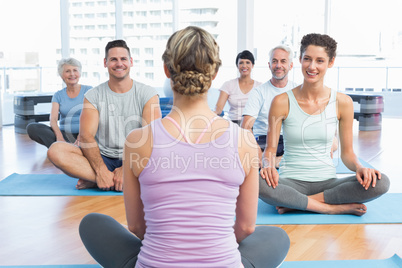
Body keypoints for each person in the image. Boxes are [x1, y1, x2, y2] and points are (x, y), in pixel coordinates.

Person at [79, 26, 290, 268]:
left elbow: (137, 227)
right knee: (276, 236)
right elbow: (245, 227)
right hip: (222, 262)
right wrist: (207, 248)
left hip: (156, 262)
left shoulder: (137, 141)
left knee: (92, 223)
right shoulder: (245, 141)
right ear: (215, 72)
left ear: (167, 69)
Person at [259, 33, 390, 216]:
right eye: (307, 59)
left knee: (381, 181)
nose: (312, 67)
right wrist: (268, 166)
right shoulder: (281, 101)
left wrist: (360, 167)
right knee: (256, 181)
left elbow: (347, 154)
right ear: (300, 60)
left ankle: (299, 203)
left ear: (330, 62)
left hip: (328, 183)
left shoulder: (343, 102)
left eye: (319, 60)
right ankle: (329, 208)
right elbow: (270, 150)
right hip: (290, 182)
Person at [47, 40, 161, 191]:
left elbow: (151, 136)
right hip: (102, 157)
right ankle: (111, 179)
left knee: (164, 159)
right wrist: (100, 170)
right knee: (56, 151)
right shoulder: (93, 95)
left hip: (136, 157)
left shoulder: (148, 93)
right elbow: (86, 136)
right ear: (105, 63)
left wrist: (126, 167)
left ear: (131, 62)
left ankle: (97, 180)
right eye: (113, 59)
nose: (119, 63)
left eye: (123, 59)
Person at [241, 45, 297, 163]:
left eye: (283, 61)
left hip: (290, 142)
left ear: (290, 65)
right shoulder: (259, 92)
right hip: (263, 140)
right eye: (274, 61)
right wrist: (259, 154)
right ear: (269, 65)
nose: (278, 65)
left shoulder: (298, 91)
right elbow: (246, 126)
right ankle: (278, 162)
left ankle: (278, 162)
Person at [26, 58, 92, 148]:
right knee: (32, 128)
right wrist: (59, 136)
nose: (72, 74)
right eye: (67, 71)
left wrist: (82, 135)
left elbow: (93, 117)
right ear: (62, 75)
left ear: (80, 73)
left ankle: (64, 149)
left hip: (86, 133)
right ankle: (66, 147)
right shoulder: (58, 95)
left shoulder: (89, 90)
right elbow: (53, 120)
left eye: (75, 70)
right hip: (65, 134)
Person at [214, 50, 261, 125]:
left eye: (247, 62)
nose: (244, 66)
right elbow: (218, 110)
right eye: (241, 63)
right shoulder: (228, 85)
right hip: (233, 124)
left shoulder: (259, 87)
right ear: (237, 66)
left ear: (252, 65)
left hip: (253, 124)